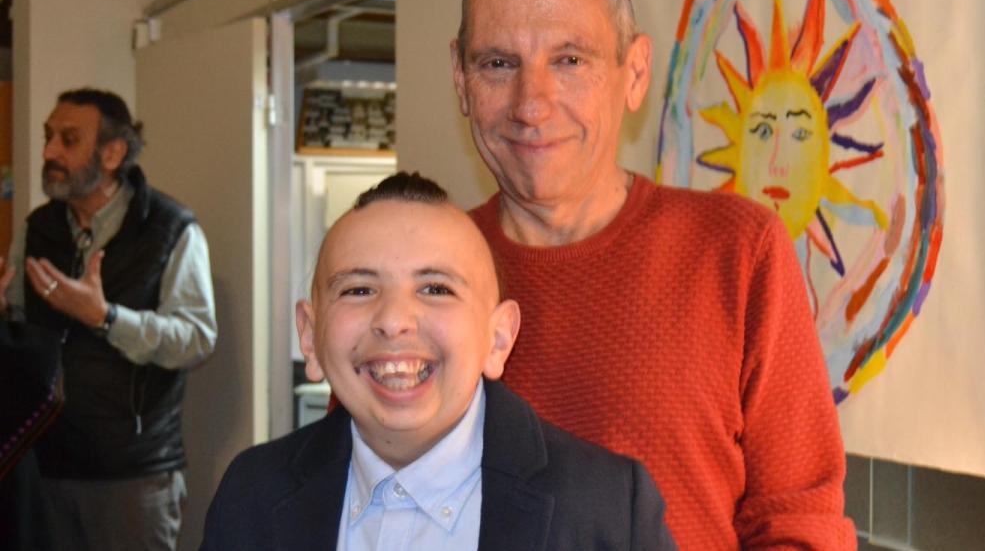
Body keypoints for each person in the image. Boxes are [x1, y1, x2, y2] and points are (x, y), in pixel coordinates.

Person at [450, 0, 856, 549]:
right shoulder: (421, 275)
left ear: (635, 72)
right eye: (499, 64)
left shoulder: (738, 252)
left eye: (570, 60)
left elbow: (800, 523)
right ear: (461, 79)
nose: (532, 104)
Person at [200, 171, 675, 551]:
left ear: (498, 338)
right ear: (310, 336)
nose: (393, 321)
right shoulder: (251, 494)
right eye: (359, 289)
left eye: (435, 288)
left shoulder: (607, 508)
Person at [1, 88, 217, 550]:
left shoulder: (171, 227)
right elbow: (18, 331)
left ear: (113, 153)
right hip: (43, 466)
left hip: (132, 477)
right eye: (48, 136)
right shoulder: (37, 228)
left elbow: (196, 338)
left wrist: (105, 317)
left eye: (68, 139)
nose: (49, 151)